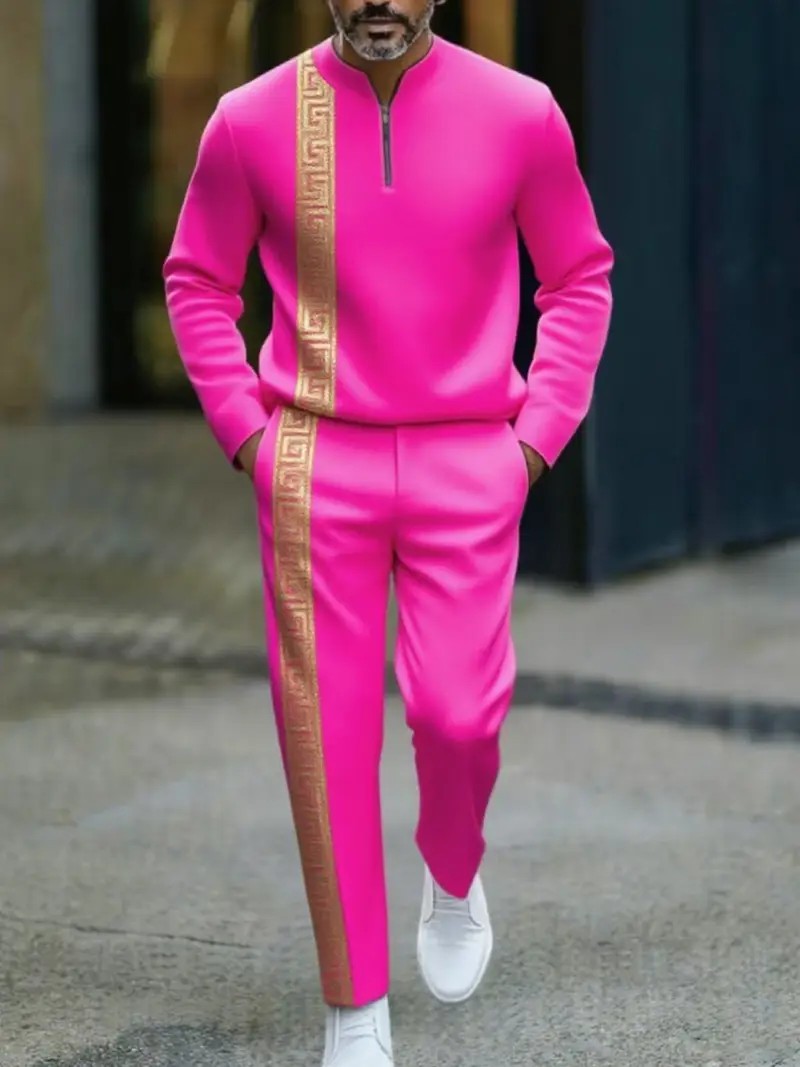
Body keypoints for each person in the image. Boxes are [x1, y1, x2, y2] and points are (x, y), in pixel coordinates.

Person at [163, 1, 613, 1063]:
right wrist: (248, 434)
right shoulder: (249, 118)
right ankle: (353, 1002)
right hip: (317, 458)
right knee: (324, 737)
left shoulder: (521, 113)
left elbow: (577, 277)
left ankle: (452, 868)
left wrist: (534, 440)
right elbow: (197, 281)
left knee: (457, 715)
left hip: (471, 457)